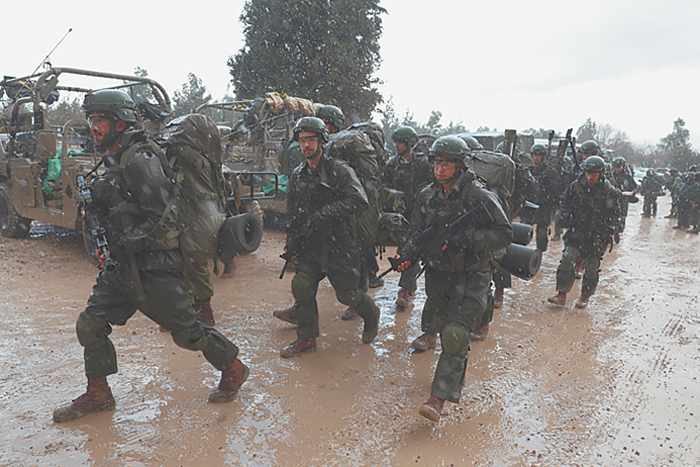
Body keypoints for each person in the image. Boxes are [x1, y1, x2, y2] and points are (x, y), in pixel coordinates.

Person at [53, 90, 247, 423]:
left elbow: (164, 216)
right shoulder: (114, 157)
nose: (93, 128)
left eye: (98, 120)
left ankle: (234, 367)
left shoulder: (140, 158)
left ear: (119, 122)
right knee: (90, 323)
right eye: (90, 120)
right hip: (121, 266)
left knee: (188, 332)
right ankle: (98, 393)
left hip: (154, 267)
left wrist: (127, 241)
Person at [395, 136, 512, 421]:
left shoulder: (479, 197)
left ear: (460, 166)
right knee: (443, 327)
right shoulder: (426, 196)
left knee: (455, 334)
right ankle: (451, 370)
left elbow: (505, 233)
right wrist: (409, 255)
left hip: (472, 276)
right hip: (438, 275)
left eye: (446, 163)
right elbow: (416, 232)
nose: (440, 168)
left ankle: (437, 399)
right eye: (437, 162)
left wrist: (468, 239)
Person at [278, 116, 381, 358]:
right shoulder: (298, 174)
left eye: (311, 140)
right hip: (312, 242)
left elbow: (359, 200)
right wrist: (292, 242)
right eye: (303, 140)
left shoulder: (339, 170)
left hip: (340, 242)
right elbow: (293, 212)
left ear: (322, 141)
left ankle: (371, 313)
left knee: (347, 294)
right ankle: (306, 338)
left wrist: (326, 213)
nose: (307, 145)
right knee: (301, 285)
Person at [547, 156, 620, 309]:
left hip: (596, 234)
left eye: (594, 173)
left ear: (600, 174)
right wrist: (565, 217)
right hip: (577, 230)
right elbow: (564, 201)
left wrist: (609, 231)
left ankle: (585, 296)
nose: (590, 176)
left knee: (592, 266)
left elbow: (615, 214)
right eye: (588, 172)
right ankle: (562, 294)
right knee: (568, 259)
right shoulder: (576, 186)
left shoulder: (608, 190)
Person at [383, 125, 434, 309]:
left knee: (412, 247)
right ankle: (408, 284)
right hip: (402, 215)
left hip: (421, 214)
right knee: (406, 248)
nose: (396, 146)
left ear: (410, 144)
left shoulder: (424, 164)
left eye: (400, 142)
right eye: (395, 142)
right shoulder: (391, 165)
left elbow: (434, 187)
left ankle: (404, 290)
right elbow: (386, 188)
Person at [529, 143, 565, 252]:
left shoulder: (550, 171)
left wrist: (548, 183)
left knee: (541, 233)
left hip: (544, 206)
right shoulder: (528, 169)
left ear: (543, 156)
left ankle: (539, 254)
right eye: (534, 155)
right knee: (523, 231)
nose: (536, 157)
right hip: (528, 205)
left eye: (538, 155)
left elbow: (559, 188)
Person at [611, 156, 638, 238]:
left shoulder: (627, 176)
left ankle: (618, 231)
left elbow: (635, 186)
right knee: (611, 215)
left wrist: (633, 192)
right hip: (612, 198)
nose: (618, 169)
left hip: (623, 198)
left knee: (622, 215)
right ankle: (612, 231)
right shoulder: (611, 175)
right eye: (616, 167)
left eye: (619, 167)